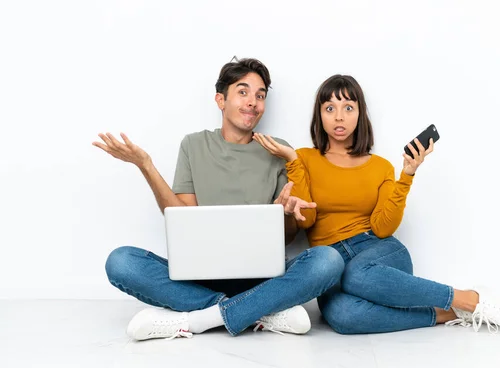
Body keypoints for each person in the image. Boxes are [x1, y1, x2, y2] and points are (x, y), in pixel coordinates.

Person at [253, 74, 500, 335]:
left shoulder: (380, 166)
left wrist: (406, 175)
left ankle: (470, 300)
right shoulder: (304, 159)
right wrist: (292, 162)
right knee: (343, 317)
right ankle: (448, 313)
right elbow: (307, 222)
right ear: (320, 115)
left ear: (360, 114)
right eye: (330, 108)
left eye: (348, 107)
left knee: (357, 274)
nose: (339, 116)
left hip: (377, 251)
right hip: (331, 261)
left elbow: (383, 227)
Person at [92, 59, 345, 341]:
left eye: (260, 96)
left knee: (328, 260)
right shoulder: (194, 144)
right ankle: (260, 310)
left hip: (263, 276)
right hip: (200, 275)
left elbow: (286, 238)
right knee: (121, 262)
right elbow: (181, 218)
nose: (253, 102)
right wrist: (146, 165)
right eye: (243, 92)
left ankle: (200, 319)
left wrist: (283, 214)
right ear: (220, 100)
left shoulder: (278, 149)